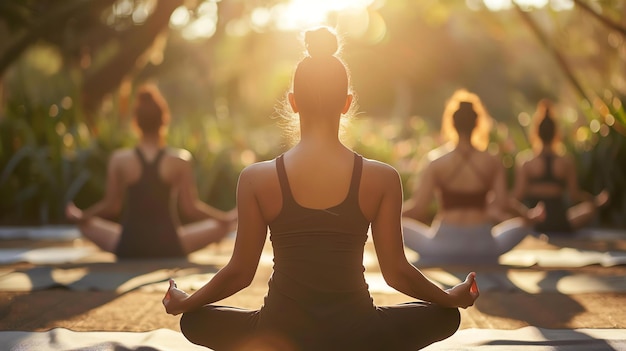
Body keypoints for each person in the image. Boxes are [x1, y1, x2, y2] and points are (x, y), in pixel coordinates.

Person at [163, 27, 479, 351]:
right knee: (446, 316)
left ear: (292, 102)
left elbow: (240, 273)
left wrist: (187, 302)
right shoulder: (382, 178)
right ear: (347, 103)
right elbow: (397, 273)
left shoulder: (256, 178)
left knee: (195, 321)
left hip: (281, 335)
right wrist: (448, 297)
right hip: (359, 336)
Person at [66, 84, 236, 258]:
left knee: (85, 224)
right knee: (222, 227)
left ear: (136, 122)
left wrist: (82, 216)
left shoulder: (119, 160)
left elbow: (112, 206)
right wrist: (225, 219)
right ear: (164, 120)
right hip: (170, 245)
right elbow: (190, 208)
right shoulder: (180, 160)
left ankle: (80, 219)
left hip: (129, 245)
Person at [402, 89, 544, 265]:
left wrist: (384, 215)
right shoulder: (491, 160)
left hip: (442, 246)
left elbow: (418, 207)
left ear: (452, 123)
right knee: (525, 226)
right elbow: (503, 203)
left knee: (399, 228)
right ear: (477, 123)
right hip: (484, 245)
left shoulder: (436, 161)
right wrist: (528, 216)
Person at [511, 99, 608, 237]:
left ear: (536, 133)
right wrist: (594, 201)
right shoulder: (566, 162)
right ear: (556, 133)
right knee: (590, 209)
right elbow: (575, 194)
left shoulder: (526, 162)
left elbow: (517, 195)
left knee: (501, 212)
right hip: (560, 222)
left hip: (534, 222)